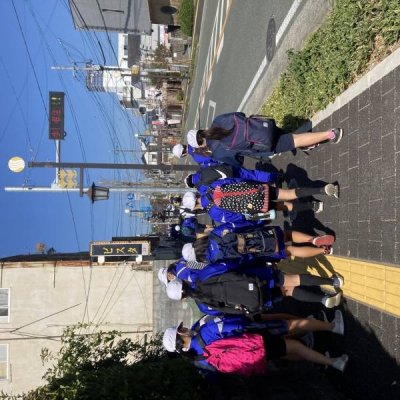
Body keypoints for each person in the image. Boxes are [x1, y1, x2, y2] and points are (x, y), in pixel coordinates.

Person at [162, 315, 348, 375]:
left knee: (286, 352)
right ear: (180, 335)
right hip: (254, 341)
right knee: (294, 338)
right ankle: (333, 337)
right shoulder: (204, 333)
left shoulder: (197, 360)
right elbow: (235, 325)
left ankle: (321, 358)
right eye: (181, 329)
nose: (184, 328)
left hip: (251, 360)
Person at [186, 112, 343, 166]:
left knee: (294, 140)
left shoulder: (217, 152)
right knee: (289, 137)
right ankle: (307, 144)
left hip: (262, 144)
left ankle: (331, 134)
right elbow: (240, 115)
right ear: (201, 130)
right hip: (262, 127)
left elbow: (238, 161)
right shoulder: (218, 120)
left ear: (200, 145)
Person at [166, 264, 344, 311]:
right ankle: (333, 282)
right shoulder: (203, 276)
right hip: (254, 280)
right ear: (183, 281)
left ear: (183, 298)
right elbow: (229, 268)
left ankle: (323, 299)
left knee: (288, 291)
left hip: (255, 301)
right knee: (292, 279)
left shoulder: (203, 305)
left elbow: (228, 310)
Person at [181, 221, 335, 264]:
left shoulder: (216, 261)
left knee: (291, 251)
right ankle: (313, 239)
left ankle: (323, 251)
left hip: (259, 251)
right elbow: (238, 225)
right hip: (257, 235)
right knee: (287, 235)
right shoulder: (215, 234)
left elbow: (240, 263)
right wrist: (258, 223)